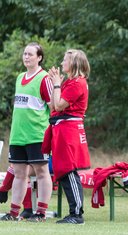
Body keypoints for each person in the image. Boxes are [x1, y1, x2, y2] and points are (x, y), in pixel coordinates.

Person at [0, 42, 53, 222]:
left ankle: (40, 212)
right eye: (25, 54)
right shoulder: (20, 77)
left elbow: (52, 107)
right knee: (19, 173)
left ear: (39, 58)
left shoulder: (44, 78)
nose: (26, 57)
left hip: (37, 134)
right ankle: (14, 212)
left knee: (41, 172)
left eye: (30, 54)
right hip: (18, 135)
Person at [45, 49, 91, 224]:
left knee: (69, 170)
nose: (62, 62)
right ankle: (74, 212)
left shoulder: (77, 83)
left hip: (69, 130)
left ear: (74, 63)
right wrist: (54, 84)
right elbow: (52, 108)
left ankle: (77, 214)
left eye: (65, 60)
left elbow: (59, 105)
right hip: (62, 128)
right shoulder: (70, 82)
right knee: (63, 171)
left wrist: (57, 84)